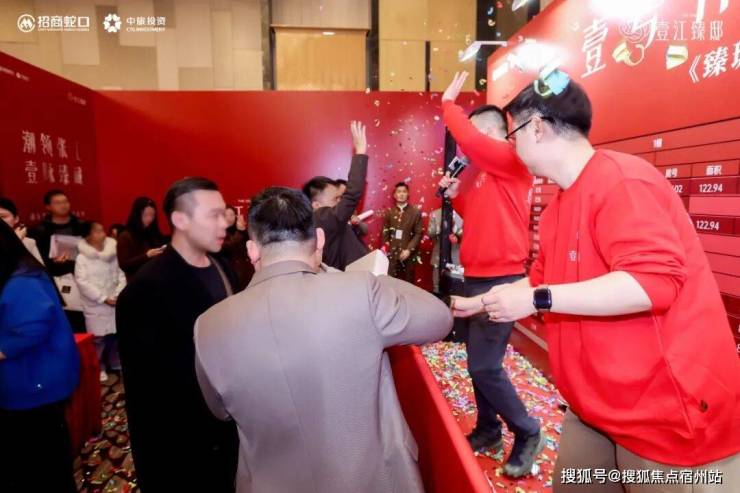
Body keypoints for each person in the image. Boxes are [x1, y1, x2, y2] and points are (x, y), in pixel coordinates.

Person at [453, 75, 740, 491]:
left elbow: (651, 284)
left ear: (537, 128)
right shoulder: (558, 207)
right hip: (594, 410)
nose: (511, 148)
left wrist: (538, 298)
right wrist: (480, 302)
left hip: (664, 419)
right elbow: (538, 280)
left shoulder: (624, 181)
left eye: (513, 135)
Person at [194, 187, 453, 493]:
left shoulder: (207, 325)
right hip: (370, 482)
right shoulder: (359, 291)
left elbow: (220, 411)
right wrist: (375, 280)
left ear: (252, 250)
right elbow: (440, 318)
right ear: (319, 239)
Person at [438, 71, 542, 477]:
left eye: (477, 134)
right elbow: (480, 217)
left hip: (502, 280)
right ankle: (488, 430)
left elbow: (468, 139)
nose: (471, 143)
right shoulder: (486, 174)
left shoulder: (511, 158)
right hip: (477, 277)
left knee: (485, 366)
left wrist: (448, 105)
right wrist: (456, 197)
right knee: (477, 363)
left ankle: (528, 430)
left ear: (492, 133)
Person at [116, 178, 239, 493]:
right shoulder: (146, 288)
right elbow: (144, 390)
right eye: (214, 215)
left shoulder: (223, 266)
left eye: (224, 213)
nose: (225, 222)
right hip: (180, 439)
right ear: (180, 220)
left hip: (229, 422)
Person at [0, 220, 80, 493]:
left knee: (42, 464)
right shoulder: (16, 272)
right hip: (29, 384)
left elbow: (30, 329)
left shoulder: (22, 280)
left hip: (34, 385)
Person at [302, 121, 369, 270]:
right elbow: (351, 196)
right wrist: (360, 152)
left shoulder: (326, 221)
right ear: (316, 205)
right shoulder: (321, 218)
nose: (340, 202)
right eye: (336, 199)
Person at [28, 189, 88, 331]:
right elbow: (36, 259)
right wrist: (52, 262)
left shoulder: (82, 226)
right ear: (48, 207)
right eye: (57, 203)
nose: (63, 205)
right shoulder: (39, 230)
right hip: (56, 280)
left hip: (83, 277)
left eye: (65, 201)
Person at [74, 221, 126, 382]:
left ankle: (115, 362)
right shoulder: (82, 258)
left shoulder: (112, 253)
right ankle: (99, 366)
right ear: (88, 236)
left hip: (114, 301)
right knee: (98, 339)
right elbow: (82, 282)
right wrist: (103, 298)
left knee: (114, 336)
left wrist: (118, 294)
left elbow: (120, 274)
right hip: (96, 305)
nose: (102, 234)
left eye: (102, 230)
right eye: (97, 232)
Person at [116, 197, 166, 281]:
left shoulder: (153, 232)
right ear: (137, 215)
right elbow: (124, 265)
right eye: (146, 215)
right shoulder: (125, 236)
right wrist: (147, 256)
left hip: (156, 279)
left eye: (152, 215)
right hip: (137, 282)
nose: (149, 219)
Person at [382, 182, 423, 282]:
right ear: (394, 195)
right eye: (399, 192)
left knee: (408, 283)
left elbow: (418, 233)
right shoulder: (389, 212)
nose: (401, 194)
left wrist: (408, 250)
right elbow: (385, 232)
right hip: (392, 254)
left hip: (409, 254)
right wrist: (387, 248)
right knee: (391, 282)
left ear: (408, 194)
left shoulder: (415, 212)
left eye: (404, 191)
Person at [427, 207, 463, 292]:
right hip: (438, 257)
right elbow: (430, 233)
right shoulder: (435, 214)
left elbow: (467, 234)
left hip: (456, 257)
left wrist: (456, 231)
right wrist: (440, 228)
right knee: (437, 286)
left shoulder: (461, 213)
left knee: (455, 287)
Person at [0, 197, 43, 263]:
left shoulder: (28, 242)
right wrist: (15, 240)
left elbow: (39, 268)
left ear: (16, 219)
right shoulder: (19, 239)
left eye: (3, 216)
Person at [222, 205, 254, 290]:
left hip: (246, 272)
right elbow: (227, 247)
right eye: (226, 215)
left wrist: (243, 230)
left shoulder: (239, 229)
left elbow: (248, 245)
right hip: (230, 274)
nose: (229, 218)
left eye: (231, 215)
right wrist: (240, 232)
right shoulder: (219, 232)